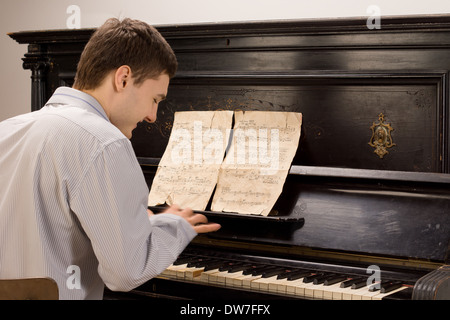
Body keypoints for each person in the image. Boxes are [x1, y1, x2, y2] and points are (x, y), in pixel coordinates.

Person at [0, 17, 220, 300]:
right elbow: (126, 272)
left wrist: (133, 227)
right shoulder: (105, 142)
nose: (153, 116)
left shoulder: (7, 130)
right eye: (155, 99)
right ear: (123, 78)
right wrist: (175, 227)